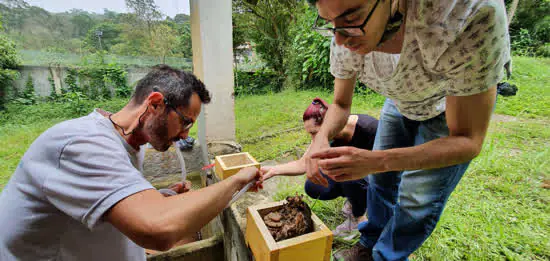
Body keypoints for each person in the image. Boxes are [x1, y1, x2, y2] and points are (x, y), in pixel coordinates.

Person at [303, 0, 511, 260]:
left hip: (451, 104)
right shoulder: (343, 33)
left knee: (417, 198)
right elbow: (341, 104)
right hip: (402, 100)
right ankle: (369, 244)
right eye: (330, 23)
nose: (341, 40)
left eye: (352, 17)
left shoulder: (466, 13)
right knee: (379, 181)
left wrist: (376, 160)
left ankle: (386, 256)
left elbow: (468, 140)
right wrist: (321, 138)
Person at [0, 65, 262, 261]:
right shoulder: (83, 145)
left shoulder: (128, 142)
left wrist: (160, 196)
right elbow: (159, 231)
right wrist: (236, 180)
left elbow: (100, 202)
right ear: (156, 103)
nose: (186, 135)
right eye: (185, 121)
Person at [261, 98, 378, 237]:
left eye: (314, 133)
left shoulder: (370, 128)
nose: (313, 139)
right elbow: (302, 164)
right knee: (314, 186)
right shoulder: (327, 136)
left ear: (330, 124)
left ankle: (358, 217)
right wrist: (273, 170)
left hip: (379, 176)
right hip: (355, 176)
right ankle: (354, 199)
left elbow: (390, 165)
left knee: (345, 171)